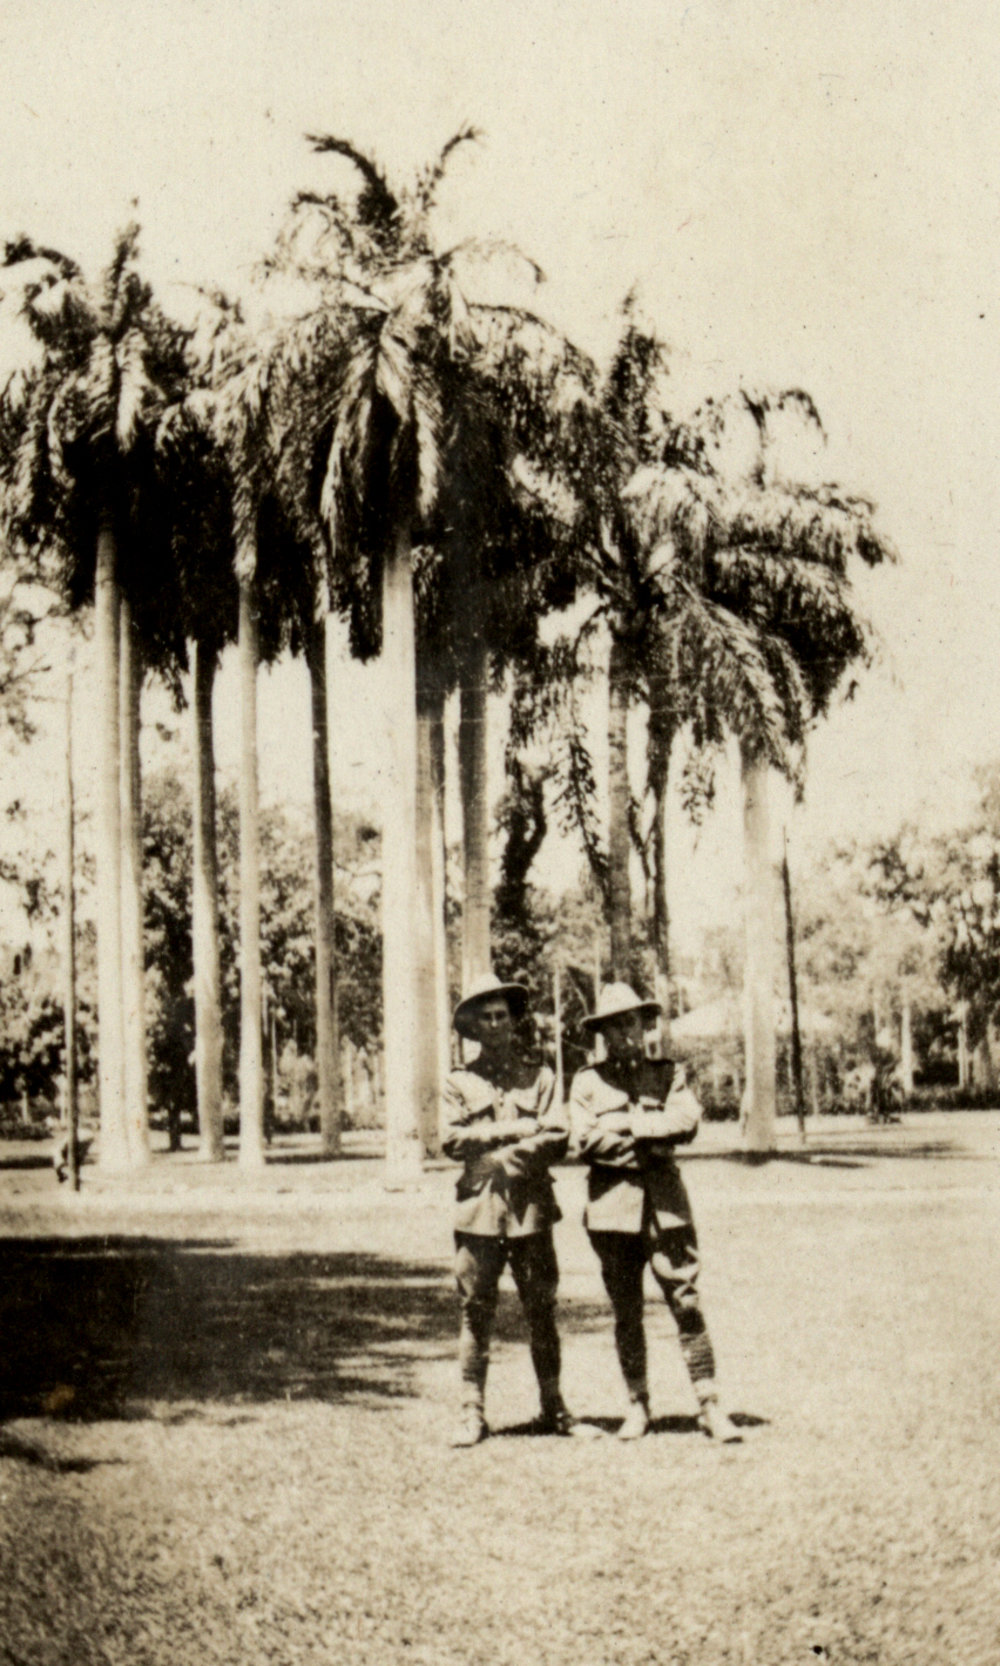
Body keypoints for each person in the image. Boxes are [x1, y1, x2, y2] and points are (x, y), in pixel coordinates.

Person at [569, 983, 741, 1442]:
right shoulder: (586, 1082)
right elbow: (587, 1141)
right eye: (614, 1025)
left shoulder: (668, 1075)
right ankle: (637, 1405)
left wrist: (626, 1124)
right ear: (601, 1033)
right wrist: (652, 1141)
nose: (625, 1032)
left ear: (644, 1026)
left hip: (665, 1209)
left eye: (631, 1022)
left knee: (686, 1303)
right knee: (626, 1311)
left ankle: (709, 1406)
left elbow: (686, 1122)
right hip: (612, 1214)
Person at [441, 971, 588, 1447]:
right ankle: (471, 1414)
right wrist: (512, 1133)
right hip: (479, 1213)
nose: (496, 1025)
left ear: (513, 1022)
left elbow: (558, 1136)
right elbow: (450, 1138)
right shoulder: (458, 1083)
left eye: (502, 1015)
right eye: (485, 1018)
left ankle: (553, 1406)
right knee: (475, 1313)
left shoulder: (541, 1077)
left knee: (541, 1311)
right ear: (474, 1027)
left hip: (530, 1213)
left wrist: (497, 1155)